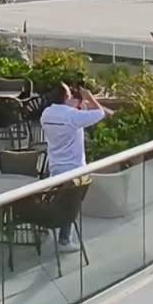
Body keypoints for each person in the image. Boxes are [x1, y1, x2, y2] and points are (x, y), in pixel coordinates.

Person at [41, 83, 105, 252]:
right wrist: (89, 97)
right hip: (74, 167)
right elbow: (100, 113)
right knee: (70, 205)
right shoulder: (72, 116)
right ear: (67, 97)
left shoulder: (46, 114)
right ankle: (64, 240)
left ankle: (54, 231)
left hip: (55, 165)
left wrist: (79, 104)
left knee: (60, 202)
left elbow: (71, 117)